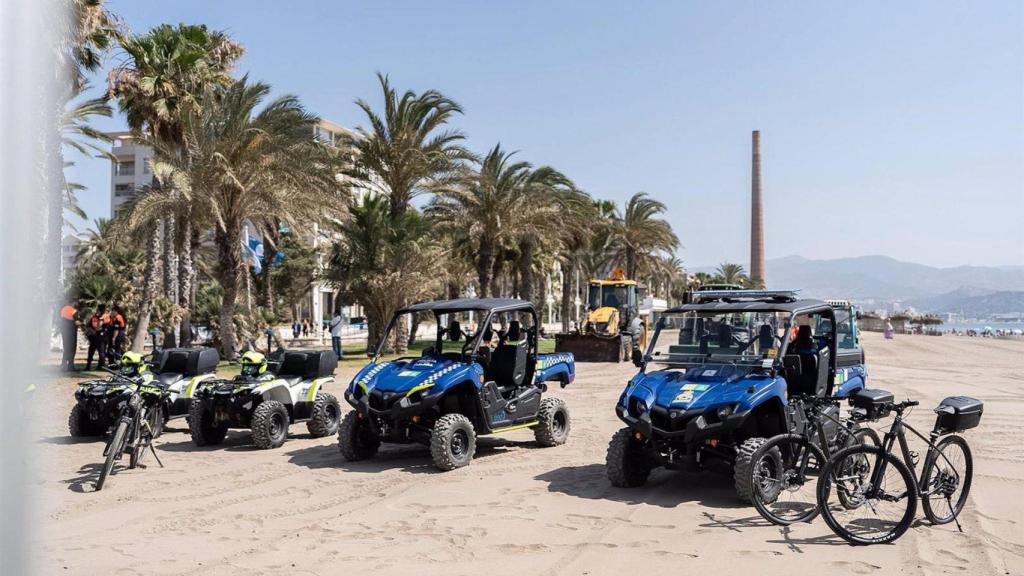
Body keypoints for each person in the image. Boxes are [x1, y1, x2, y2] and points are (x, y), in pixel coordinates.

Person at [85, 304, 110, 371]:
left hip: (102, 336)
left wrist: (96, 330)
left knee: (101, 352)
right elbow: (89, 326)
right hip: (95, 336)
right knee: (91, 351)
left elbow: (100, 326)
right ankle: (88, 366)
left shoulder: (105, 317)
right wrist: (93, 331)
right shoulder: (94, 317)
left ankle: (101, 366)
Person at [58, 299, 79, 371]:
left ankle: (63, 365)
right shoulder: (74, 311)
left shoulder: (63, 309)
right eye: (75, 302)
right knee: (72, 349)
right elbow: (76, 322)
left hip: (64, 331)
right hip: (71, 332)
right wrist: (82, 324)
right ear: (73, 303)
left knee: (66, 349)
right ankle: (70, 366)